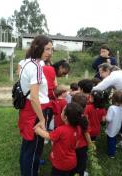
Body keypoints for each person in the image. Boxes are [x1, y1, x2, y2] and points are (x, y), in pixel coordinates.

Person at [18, 35, 53, 176]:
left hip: (27, 109)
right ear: (37, 48)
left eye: (51, 49)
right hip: (36, 110)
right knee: (35, 146)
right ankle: (31, 170)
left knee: (28, 144)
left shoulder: (26, 62)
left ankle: (30, 165)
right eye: (47, 49)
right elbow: (34, 97)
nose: (50, 52)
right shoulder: (37, 68)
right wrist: (42, 119)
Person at [35, 103, 88, 176]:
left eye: (63, 110)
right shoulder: (78, 129)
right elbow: (76, 144)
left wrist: (38, 130)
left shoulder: (61, 130)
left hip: (60, 164)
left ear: (65, 117)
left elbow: (48, 136)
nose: (61, 111)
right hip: (72, 162)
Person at [105, 90, 122, 158]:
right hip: (118, 126)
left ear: (113, 98)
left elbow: (108, 119)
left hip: (111, 127)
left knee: (110, 139)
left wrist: (105, 117)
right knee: (114, 137)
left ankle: (111, 153)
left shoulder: (112, 108)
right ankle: (113, 148)